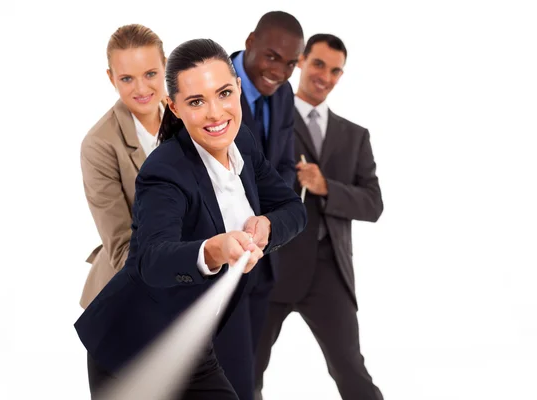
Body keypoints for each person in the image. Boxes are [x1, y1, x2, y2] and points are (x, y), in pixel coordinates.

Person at [74, 38, 307, 400]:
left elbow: (293, 207)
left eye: (225, 93)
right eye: (197, 101)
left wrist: (268, 226)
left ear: (238, 90)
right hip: (133, 344)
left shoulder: (242, 142)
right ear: (175, 107)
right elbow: (151, 258)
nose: (216, 113)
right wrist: (212, 251)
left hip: (194, 342)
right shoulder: (165, 170)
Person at [254, 34, 385, 400]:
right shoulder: (267, 119)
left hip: (329, 271)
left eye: (335, 70)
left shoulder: (355, 136)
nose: (325, 76)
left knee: (351, 370)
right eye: (318, 64)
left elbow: (373, 204)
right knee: (247, 369)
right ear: (300, 62)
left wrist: (326, 186)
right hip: (272, 263)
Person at [212, 11, 305, 400]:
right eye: (271, 57)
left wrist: (270, 219)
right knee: (216, 375)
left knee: (249, 375)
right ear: (250, 42)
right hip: (218, 259)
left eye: (290, 64)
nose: (280, 71)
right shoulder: (211, 89)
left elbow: (285, 164)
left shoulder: (283, 94)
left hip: (264, 258)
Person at [79, 24, 167, 309]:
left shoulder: (189, 119)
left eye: (151, 74)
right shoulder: (99, 144)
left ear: (166, 66)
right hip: (124, 298)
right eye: (127, 78)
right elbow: (121, 249)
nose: (141, 89)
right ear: (111, 78)